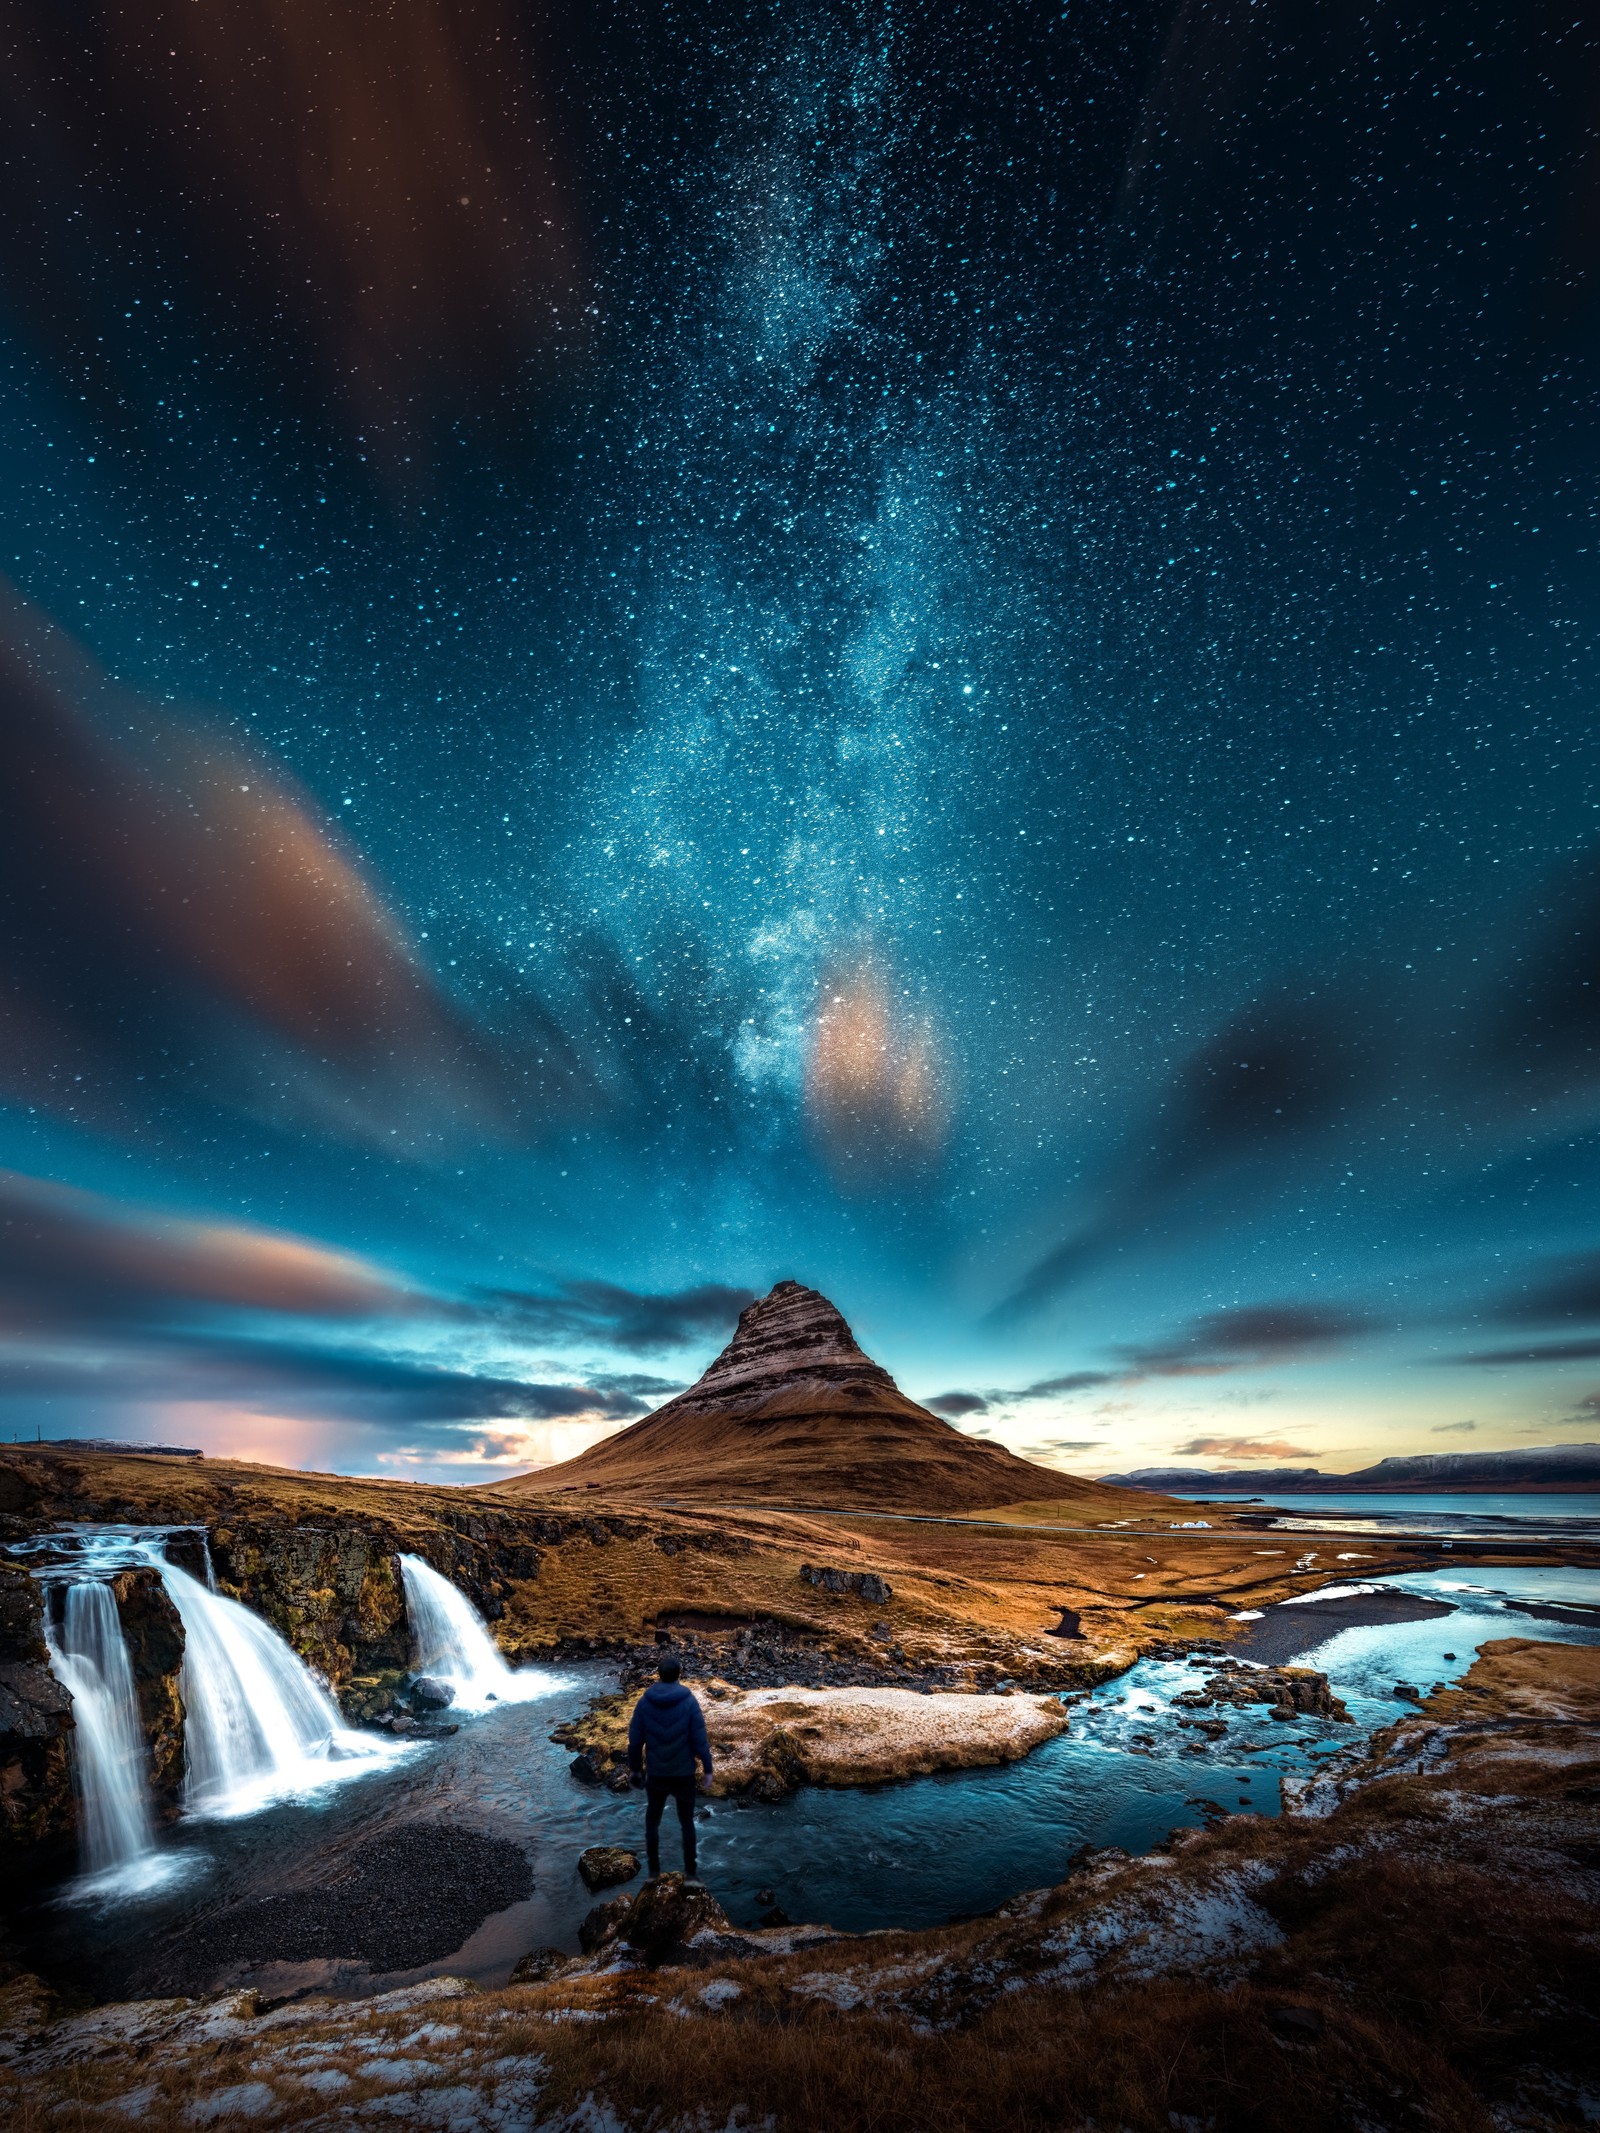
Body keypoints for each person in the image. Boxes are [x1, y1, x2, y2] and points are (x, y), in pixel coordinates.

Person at [626, 1654, 713, 1880]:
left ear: (659, 1674)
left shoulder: (645, 1702)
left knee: (652, 1822)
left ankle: (654, 1873)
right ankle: (691, 1876)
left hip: (657, 1775)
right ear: (679, 1674)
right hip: (684, 1773)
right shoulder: (689, 1701)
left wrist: (635, 1770)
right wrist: (708, 1768)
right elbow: (699, 1739)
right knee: (687, 1824)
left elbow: (635, 1741)